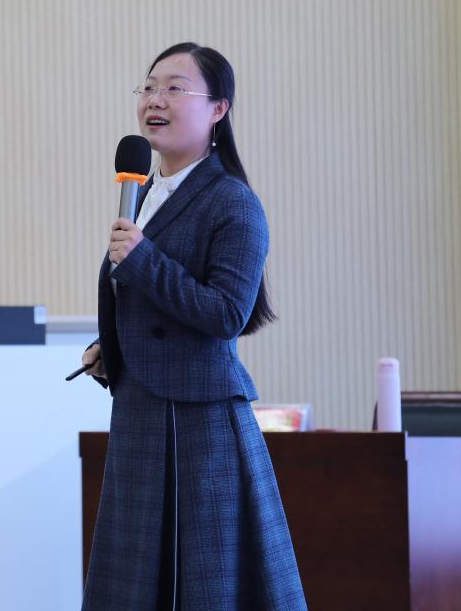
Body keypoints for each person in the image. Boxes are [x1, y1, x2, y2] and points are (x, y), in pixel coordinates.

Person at [80, 43, 307, 610]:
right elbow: (147, 302)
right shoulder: (142, 194)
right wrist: (112, 347)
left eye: (175, 88)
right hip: (140, 412)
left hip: (197, 422)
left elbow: (227, 313)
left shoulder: (234, 203)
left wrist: (143, 261)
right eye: (149, 87)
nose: (154, 100)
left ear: (218, 109)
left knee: (202, 587)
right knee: (136, 587)